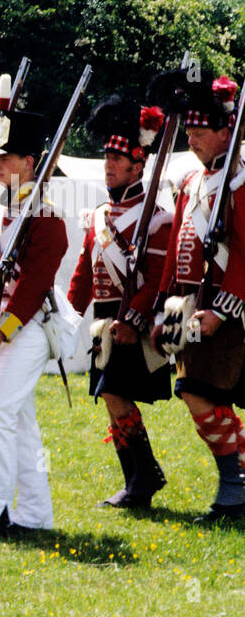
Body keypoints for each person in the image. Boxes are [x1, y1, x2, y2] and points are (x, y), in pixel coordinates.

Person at [0, 111, 67, 536]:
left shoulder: (48, 218)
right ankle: (36, 514)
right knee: (19, 421)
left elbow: (32, 288)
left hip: (30, 326)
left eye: (6, 158)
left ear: (29, 162)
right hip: (0, 329)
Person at [66, 95, 172, 508]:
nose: (108, 165)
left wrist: (133, 319)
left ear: (138, 165)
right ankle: (137, 480)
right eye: (106, 158)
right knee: (109, 399)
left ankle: (144, 474)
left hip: (131, 319)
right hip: (103, 320)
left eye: (117, 159)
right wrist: (67, 315)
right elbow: (83, 276)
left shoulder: (156, 217)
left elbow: (158, 278)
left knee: (113, 393)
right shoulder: (98, 216)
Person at [149, 69, 245, 521]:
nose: (191, 138)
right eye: (188, 130)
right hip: (190, 306)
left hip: (227, 308)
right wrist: (162, 308)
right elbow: (175, 250)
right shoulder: (191, 181)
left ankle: (235, 488)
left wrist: (221, 312)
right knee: (195, 391)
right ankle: (235, 486)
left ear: (226, 132)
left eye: (200, 131)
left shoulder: (240, 181)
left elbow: (243, 252)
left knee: (199, 392)